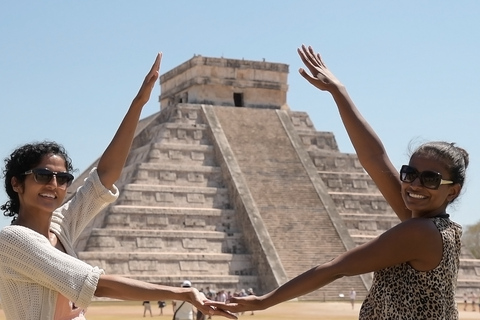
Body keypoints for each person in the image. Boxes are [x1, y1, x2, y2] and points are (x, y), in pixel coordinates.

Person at [206, 45, 468, 319]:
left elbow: (337, 267)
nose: (415, 184)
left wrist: (264, 301)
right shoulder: (433, 226)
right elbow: (375, 159)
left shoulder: (419, 233)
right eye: (409, 173)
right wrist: (338, 92)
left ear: (453, 191)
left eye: (430, 179)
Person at [0, 53, 234, 320]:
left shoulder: (60, 227)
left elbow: (104, 176)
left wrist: (138, 104)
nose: (53, 184)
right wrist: (180, 293)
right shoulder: (13, 240)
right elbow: (98, 284)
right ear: (17, 183)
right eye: (42, 175)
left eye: (63, 178)